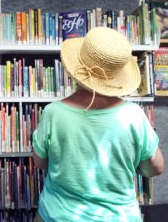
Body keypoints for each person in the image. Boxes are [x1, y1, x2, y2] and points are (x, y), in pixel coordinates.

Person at [32, 27, 164, 222]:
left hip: (57, 215)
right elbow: (155, 168)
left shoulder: (53, 113)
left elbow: (40, 162)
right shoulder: (134, 115)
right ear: (117, 77)